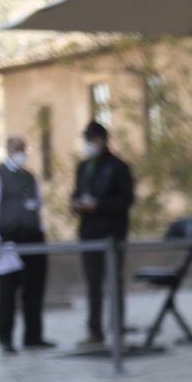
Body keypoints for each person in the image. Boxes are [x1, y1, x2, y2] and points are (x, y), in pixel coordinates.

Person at [0, 135, 52, 353]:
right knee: (8, 290)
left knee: (34, 288)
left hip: (32, 236)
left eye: (23, 148)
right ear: (9, 149)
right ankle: (6, 338)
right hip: (9, 237)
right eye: (17, 148)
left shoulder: (29, 177)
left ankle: (33, 336)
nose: (21, 152)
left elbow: (37, 205)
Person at [71, 121, 135, 348]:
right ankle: (95, 331)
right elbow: (76, 194)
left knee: (114, 284)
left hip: (112, 235)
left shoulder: (118, 167)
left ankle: (117, 330)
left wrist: (99, 205)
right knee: (93, 284)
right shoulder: (83, 167)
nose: (89, 144)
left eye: (93, 140)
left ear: (103, 140)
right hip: (89, 234)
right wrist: (77, 205)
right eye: (87, 140)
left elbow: (126, 201)